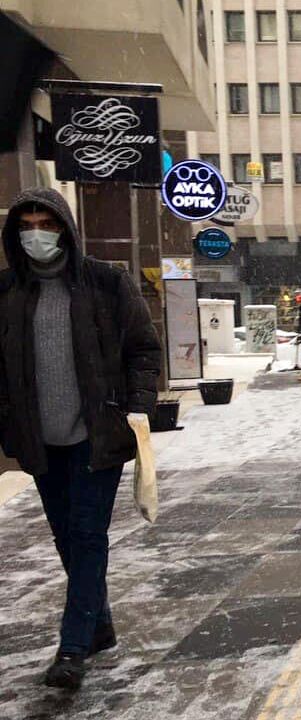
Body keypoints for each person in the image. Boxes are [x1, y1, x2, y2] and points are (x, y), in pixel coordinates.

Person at [0, 187, 162, 690]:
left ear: (65, 228)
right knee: (66, 536)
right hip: (39, 439)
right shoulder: (6, 292)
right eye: (26, 224)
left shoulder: (105, 282)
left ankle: (72, 647)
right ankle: (101, 623)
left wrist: (136, 409)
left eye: (45, 224)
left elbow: (142, 348)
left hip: (97, 433)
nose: (36, 234)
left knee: (88, 534)